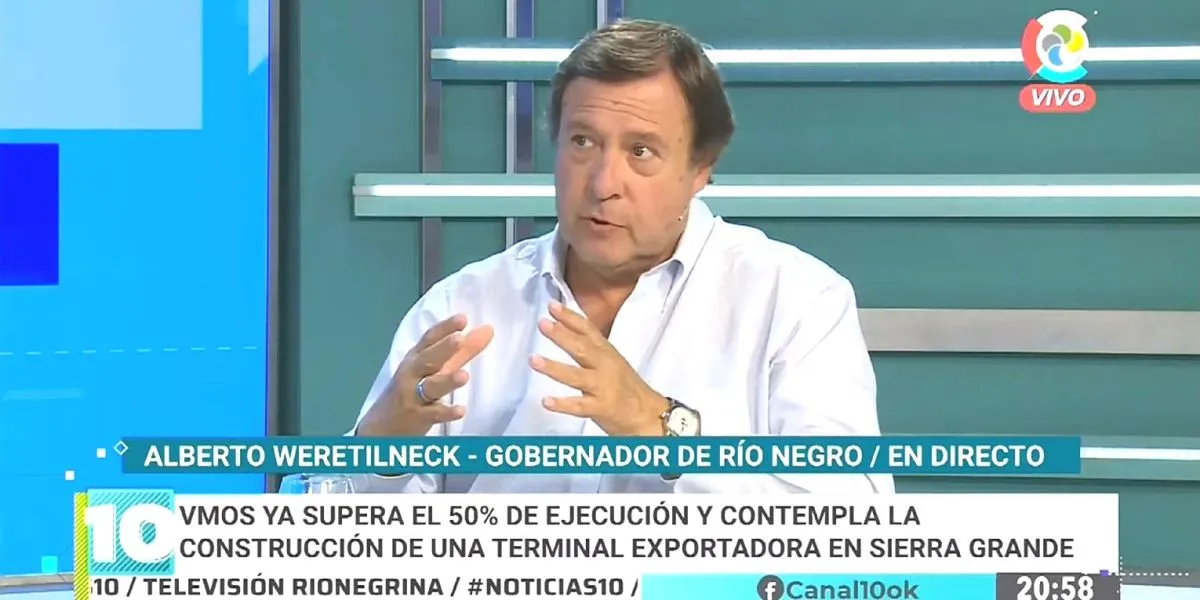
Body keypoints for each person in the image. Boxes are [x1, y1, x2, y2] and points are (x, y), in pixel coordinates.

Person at [351, 19, 893, 494]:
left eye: (641, 151)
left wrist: (660, 429)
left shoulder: (795, 301)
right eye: (582, 143)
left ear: (701, 169)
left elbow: (848, 519)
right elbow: (349, 538)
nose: (603, 183)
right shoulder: (461, 308)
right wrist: (379, 455)